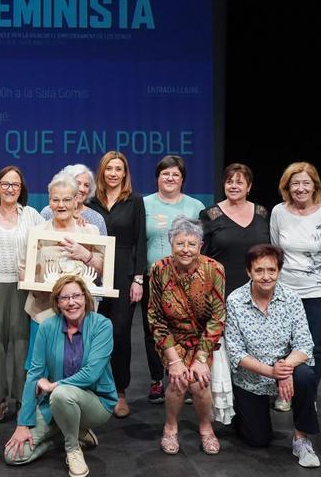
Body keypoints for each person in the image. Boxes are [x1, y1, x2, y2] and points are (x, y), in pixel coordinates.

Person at [4, 275, 117, 477]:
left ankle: (73, 448)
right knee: (14, 454)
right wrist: (23, 423)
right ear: (57, 302)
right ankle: (69, 433)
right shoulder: (47, 327)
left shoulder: (102, 325)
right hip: (56, 404)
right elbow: (34, 374)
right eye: (64, 298)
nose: (71, 302)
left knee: (62, 393)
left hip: (96, 402)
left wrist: (53, 386)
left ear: (85, 298)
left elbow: (91, 373)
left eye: (76, 296)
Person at [224, 244, 321, 467]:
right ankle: (243, 414)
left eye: (271, 270)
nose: (266, 276)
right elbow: (236, 352)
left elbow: (304, 345)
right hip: (252, 379)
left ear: (279, 271)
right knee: (258, 440)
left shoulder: (291, 298)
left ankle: (301, 439)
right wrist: (271, 372)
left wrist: (284, 370)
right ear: (249, 272)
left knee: (305, 376)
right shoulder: (236, 301)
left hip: (285, 370)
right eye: (259, 270)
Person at [148, 216, 225, 455]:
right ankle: (170, 428)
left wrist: (201, 358)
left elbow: (217, 317)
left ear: (200, 245)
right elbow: (155, 318)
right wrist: (173, 359)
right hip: (171, 336)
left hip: (203, 336)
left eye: (192, 244)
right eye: (180, 243)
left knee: (199, 381)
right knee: (180, 380)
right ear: (171, 243)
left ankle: (205, 427)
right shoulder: (159, 269)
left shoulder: (214, 269)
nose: (186, 249)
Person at [199, 163, 270, 417]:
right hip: (221, 294)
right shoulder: (210, 214)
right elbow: (201, 258)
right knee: (226, 352)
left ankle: (255, 397)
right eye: (230, 181)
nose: (234, 186)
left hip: (258, 294)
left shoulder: (262, 213)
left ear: (249, 187)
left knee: (254, 346)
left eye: (240, 182)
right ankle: (222, 406)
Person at [270, 162, 321, 394]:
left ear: (315, 187)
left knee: (314, 347)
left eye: (305, 183)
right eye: (295, 183)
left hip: (317, 291)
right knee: (282, 345)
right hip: (284, 290)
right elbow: (275, 252)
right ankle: (284, 392)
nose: (300, 188)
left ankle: (308, 395)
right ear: (287, 187)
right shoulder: (278, 212)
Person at [23, 173, 105, 374]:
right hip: (43, 313)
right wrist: (36, 288)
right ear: (49, 201)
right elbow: (23, 270)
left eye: (67, 199)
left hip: (81, 317)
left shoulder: (91, 231)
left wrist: (85, 254)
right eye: (55, 199)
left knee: (78, 369)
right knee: (40, 370)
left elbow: (104, 268)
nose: (61, 205)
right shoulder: (37, 232)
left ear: (76, 200)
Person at [0, 166, 44, 422]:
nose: (10, 189)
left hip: (23, 289)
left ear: (22, 189)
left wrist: (79, 218)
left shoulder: (31, 215)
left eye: (15, 185)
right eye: (5, 184)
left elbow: (52, 232)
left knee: (21, 345)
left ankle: (21, 399)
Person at [87, 151, 146, 418]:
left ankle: (120, 393)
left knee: (120, 335)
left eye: (118, 169)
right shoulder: (90, 202)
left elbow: (140, 242)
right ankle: (96, 390)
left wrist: (138, 278)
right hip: (92, 274)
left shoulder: (135, 202)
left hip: (123, 274)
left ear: (125, 173)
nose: (113, 173)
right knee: (93, 334)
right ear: (102, 172)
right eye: (108, 168)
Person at [142, 155, 206, 404]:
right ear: (157, 177)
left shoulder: (195, 206)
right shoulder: (144, 204)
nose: (170, 178)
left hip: (187, 278)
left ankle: (185, 377)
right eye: (165, 174)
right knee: (153, 331)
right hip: (152, 277)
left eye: (175, 174)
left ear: (182, 179)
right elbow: (139, 241)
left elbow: (201, 244)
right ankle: (157, 379)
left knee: (185, 329)